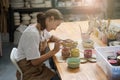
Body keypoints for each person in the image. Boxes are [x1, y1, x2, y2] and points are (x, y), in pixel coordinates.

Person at [15, 9, 71, 80]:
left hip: (37, 67)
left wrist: (62, 41)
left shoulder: (41, 28)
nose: (55, 28)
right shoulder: (32, 34)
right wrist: (53, 51)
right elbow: (34, 62)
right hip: (29, 71)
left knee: (57, 70)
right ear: (50, 19)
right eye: (56, 25)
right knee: (59, 77)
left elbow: (51, 37)